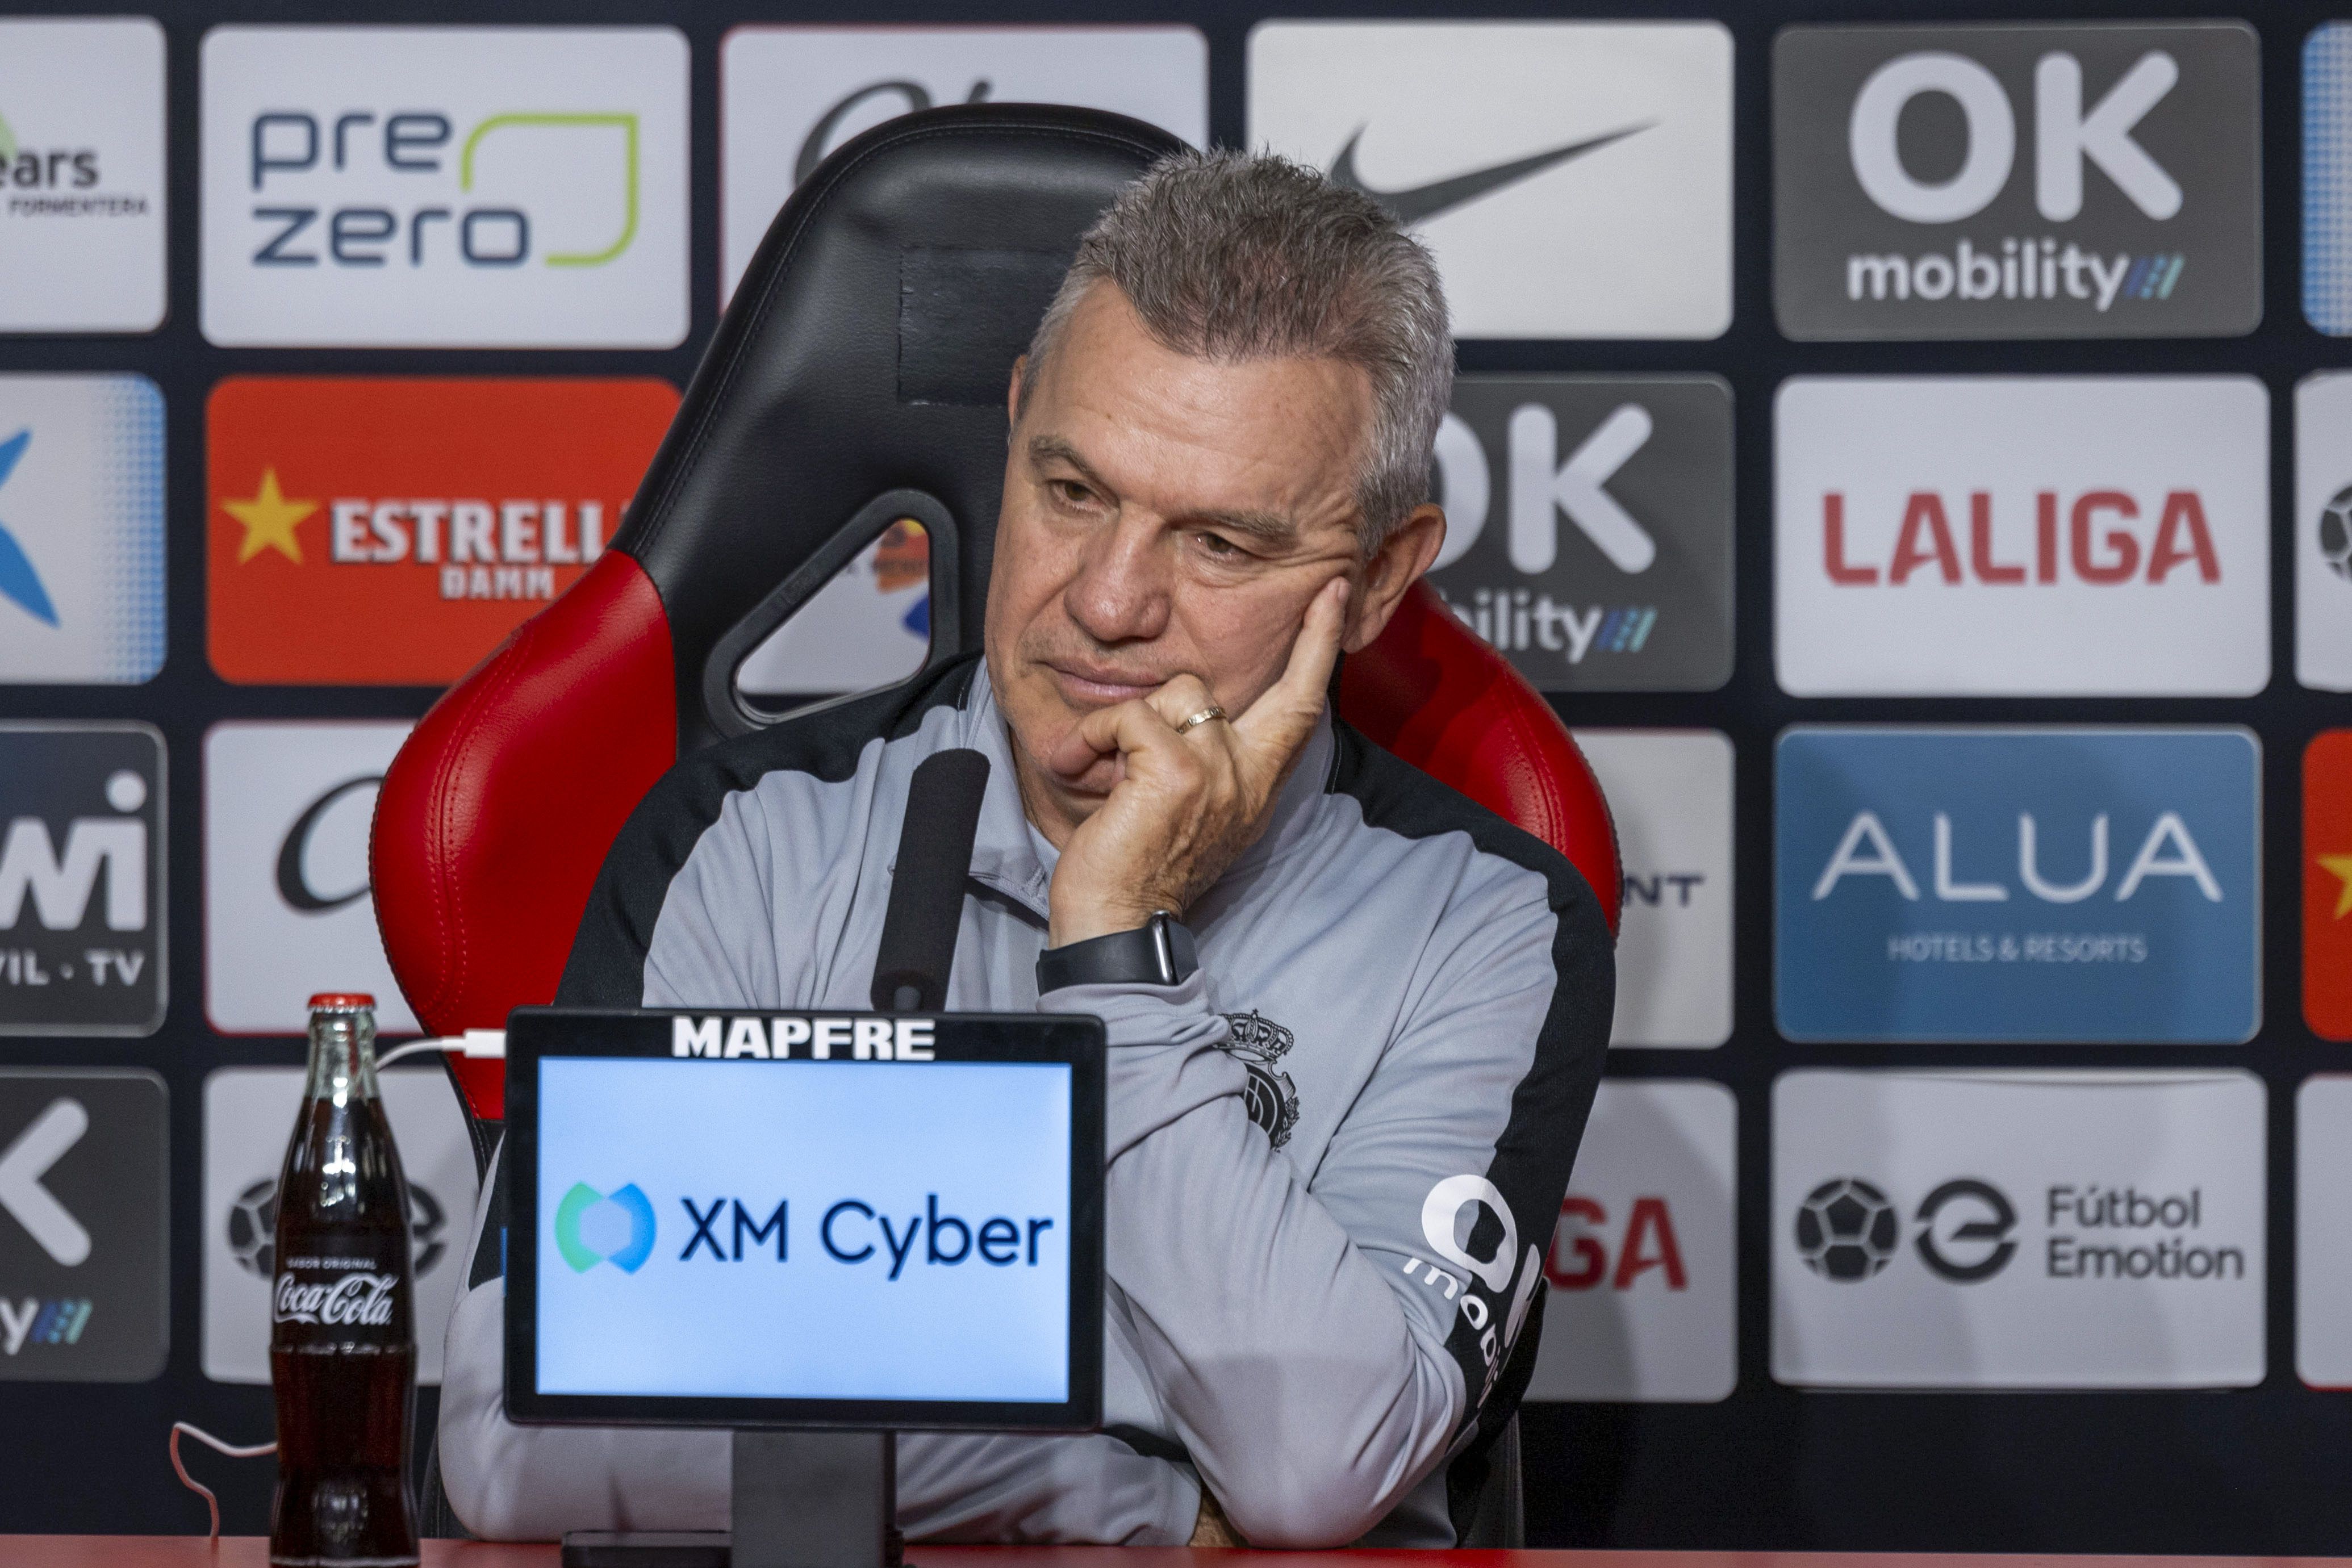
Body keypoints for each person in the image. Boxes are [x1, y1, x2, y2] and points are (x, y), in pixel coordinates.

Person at [438, 148, 1612, 1550]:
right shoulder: (746, 843)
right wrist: (1137, 1486)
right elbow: (518, 1444)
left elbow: (1308, 1467)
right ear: (1012, 426)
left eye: (1221, 545)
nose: (1108, 602)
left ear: (1374, 580)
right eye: (1070, 490)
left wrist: (1114, 939)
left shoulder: (1484, 922)